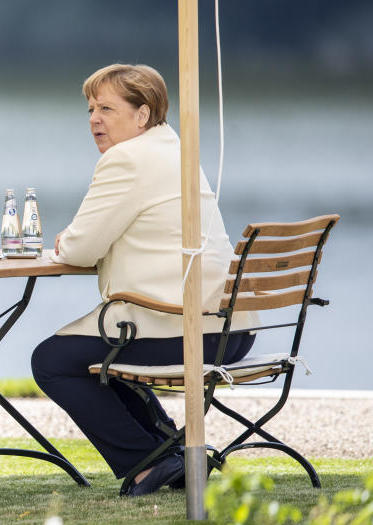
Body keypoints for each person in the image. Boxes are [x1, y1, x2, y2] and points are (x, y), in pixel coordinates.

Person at [32, 64, 256, 497]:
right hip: (233, 329)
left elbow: (79, 249)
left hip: (187, 329)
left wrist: (66, 241)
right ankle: (166, 454)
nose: (94, 119)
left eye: (106, 108)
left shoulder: (126, 160)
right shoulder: (177, 151)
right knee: (100, 356)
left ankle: (144, 463)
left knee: (53, 361)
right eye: (91, 108)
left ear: (142, 114)